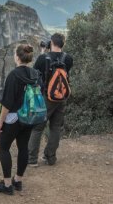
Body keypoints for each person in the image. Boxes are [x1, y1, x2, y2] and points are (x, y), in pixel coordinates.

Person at [0, 44, 38, 195]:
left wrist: (0, 122)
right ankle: (17, 181)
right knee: (23, 147)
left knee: (4, 148)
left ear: (17, 57)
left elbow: (7, 103)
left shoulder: (13, 75)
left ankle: (6, 185)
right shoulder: (35, 74)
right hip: (29, 117)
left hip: (12, 118)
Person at [28, 33, 73, 166]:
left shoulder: (43, 58)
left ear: (51, 43)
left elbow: (34, 74)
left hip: (46, 98)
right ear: (62, 44)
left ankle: (32, 160)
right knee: (56, 128)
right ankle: (50, 157)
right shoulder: (68, 58)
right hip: (62, 97)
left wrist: (43, 53)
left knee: (37, 128)